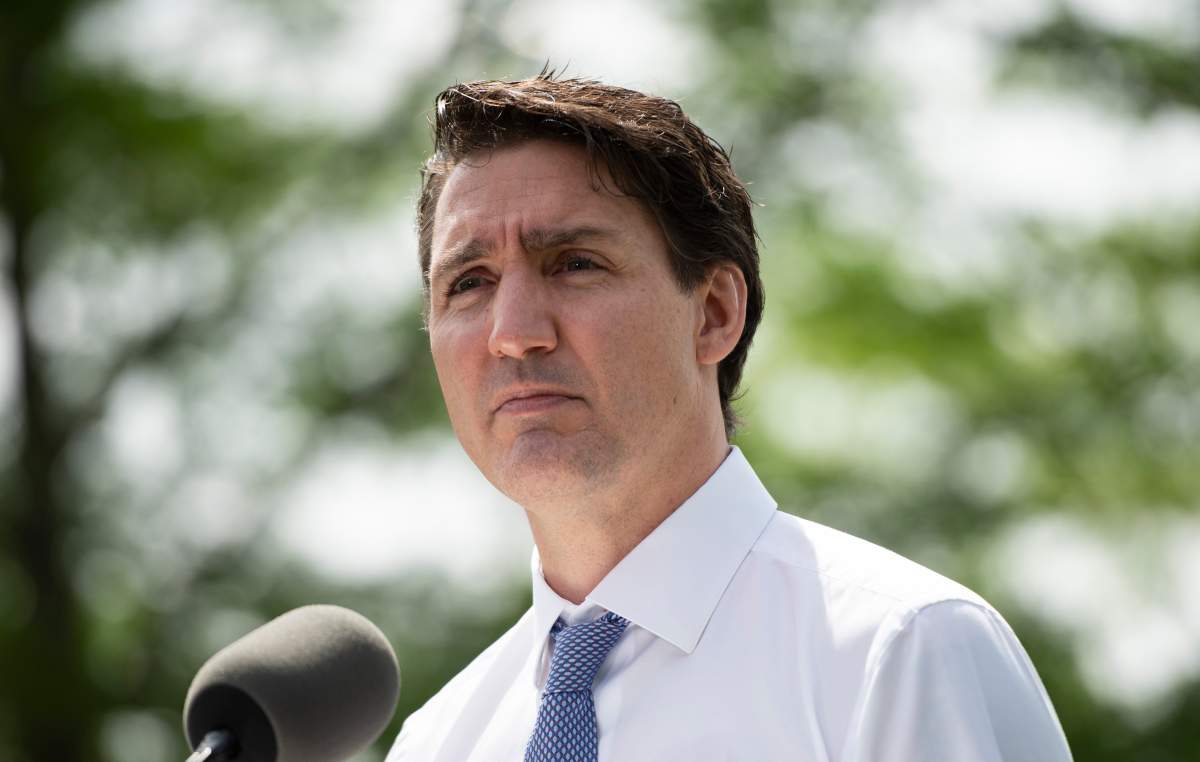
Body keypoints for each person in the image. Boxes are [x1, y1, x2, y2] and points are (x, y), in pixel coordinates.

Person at [386, 73, 1072, 761]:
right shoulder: (439, 740)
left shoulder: (898, 652)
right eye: (469, 283)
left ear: (714, 313)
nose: (513, 332)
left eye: (573, 264)